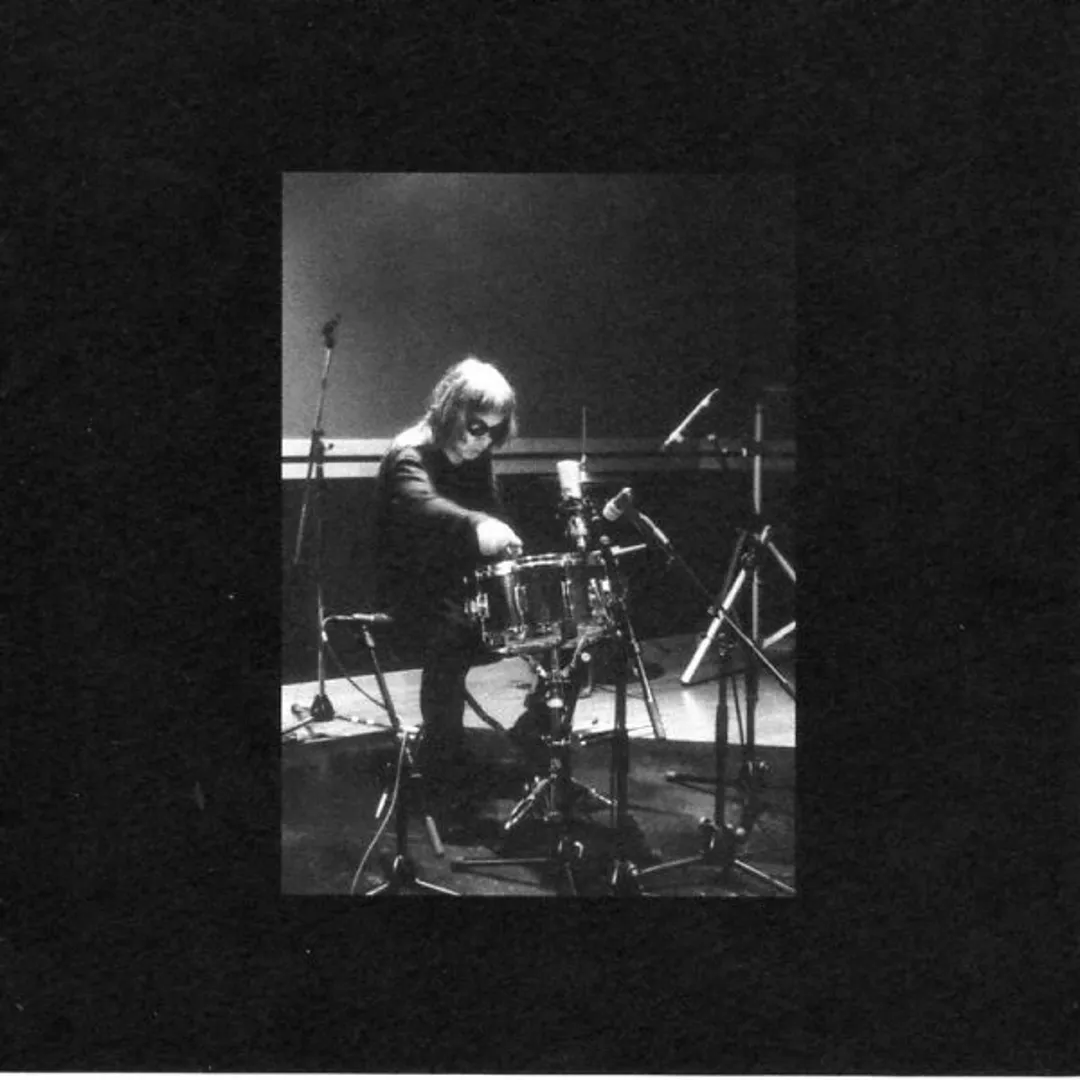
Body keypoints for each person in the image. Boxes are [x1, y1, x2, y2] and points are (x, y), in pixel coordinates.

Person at [372, 357, 524, 813]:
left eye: (494, 431)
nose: (484, 440)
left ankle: (530, 737)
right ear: (451, 411)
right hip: (411, 593)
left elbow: (490, 510)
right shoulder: (409, 453)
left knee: (564, 626)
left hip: (459, 585)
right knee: (452, 636)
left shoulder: (476, 454)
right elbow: (422, 505)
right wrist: (479, 525)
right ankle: (442, 761)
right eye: (476, 427)